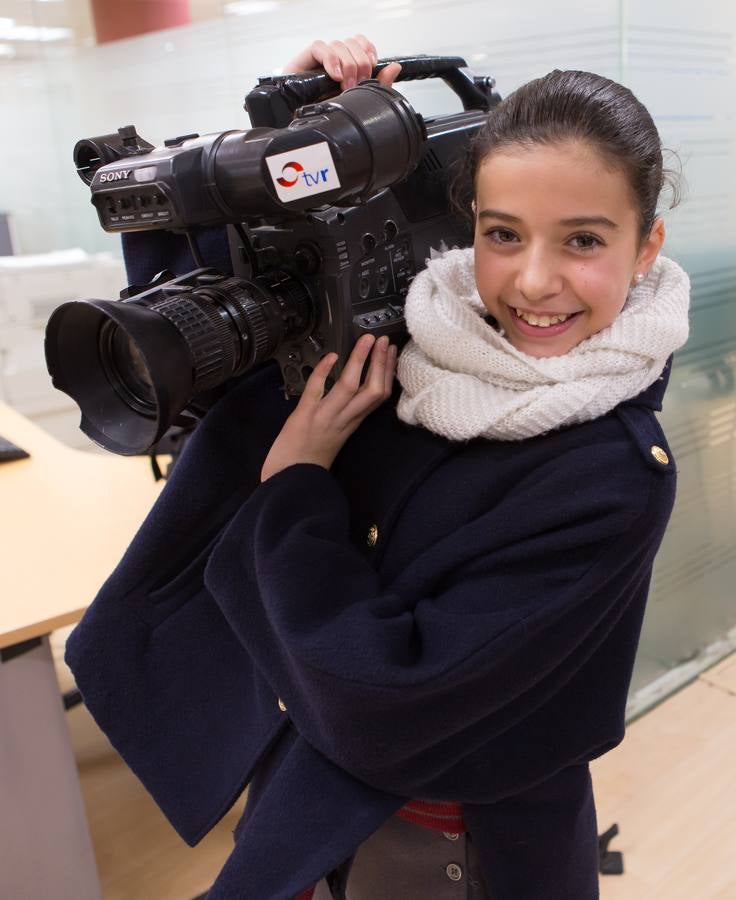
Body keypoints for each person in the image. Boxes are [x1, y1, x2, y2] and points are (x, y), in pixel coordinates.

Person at [65, 34, 690, 900]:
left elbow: (384, 704)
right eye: (502, 233)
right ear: (465, 219)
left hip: (450, 848)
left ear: (647, 244)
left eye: (583, 240)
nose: (535, 282)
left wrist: (296, 492)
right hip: (305, 787)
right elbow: (217, 381)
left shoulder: (612, 478)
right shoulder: (422, 341)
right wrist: (281, 137)